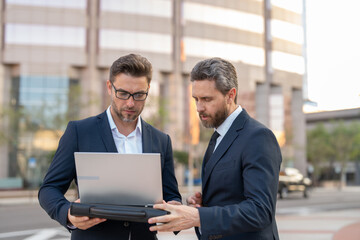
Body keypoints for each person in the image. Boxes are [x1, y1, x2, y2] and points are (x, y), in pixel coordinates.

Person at [38, 54, 181, 240]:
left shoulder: (161, 140)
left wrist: (175, 208)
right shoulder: (79, 132)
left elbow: (172, 195)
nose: (130, 103)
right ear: (109, 87)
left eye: (139, 95)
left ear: (148, 90)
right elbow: (49, 189)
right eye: (123, 93)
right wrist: (68, 214)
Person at [148, 57, 282, 239]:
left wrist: (198, 216)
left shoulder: (258, 137)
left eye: (207, 99)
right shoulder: (218, 136)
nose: (199, 108)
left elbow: (260, 211)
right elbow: (231, 194)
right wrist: (204, 204)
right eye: (196, 99)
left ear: (230, 95)